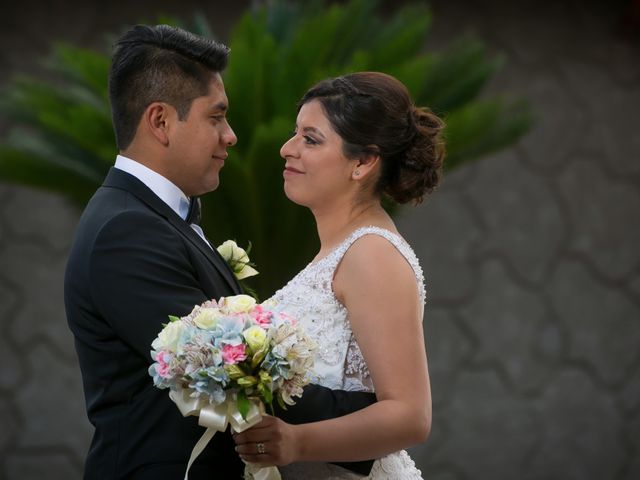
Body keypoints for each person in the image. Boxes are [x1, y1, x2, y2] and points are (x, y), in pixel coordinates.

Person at [64, 25, 376, 480]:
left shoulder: (156, 218)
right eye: (216, 117)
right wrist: (371, 421)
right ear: (161, 122)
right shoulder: (126, 231)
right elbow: (227, 370)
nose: (230, 136)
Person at [233, 72, 442, 478]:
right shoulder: (336, 252)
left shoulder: (372, 255)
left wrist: (296, 442)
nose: (286, 149)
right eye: (295, 134)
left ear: (363, 162)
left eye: (310, 139)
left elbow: (410, 415)